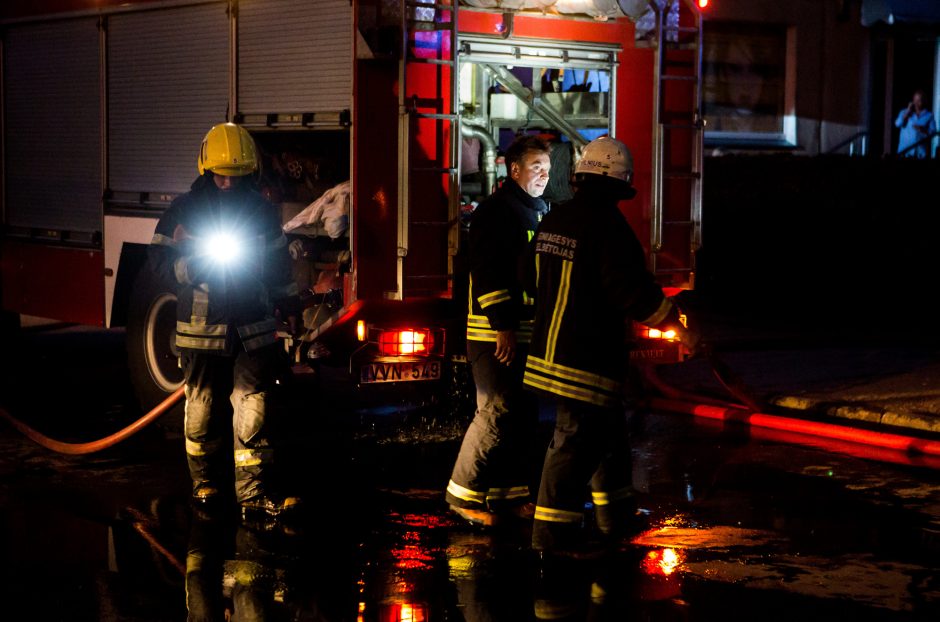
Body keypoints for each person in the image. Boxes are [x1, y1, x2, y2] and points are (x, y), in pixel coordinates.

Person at [523, 136, 692, 557]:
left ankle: (616, 516)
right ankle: (551, 538)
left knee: (609, 434)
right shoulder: (610, 229)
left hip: (549, 353)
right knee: (574, 441)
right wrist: (678, 324)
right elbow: (632, 292)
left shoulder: (553, 221)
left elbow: (530, 280)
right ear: (619, 186)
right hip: (586, 359)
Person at [149, 122, 302, 517]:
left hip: (252, 328)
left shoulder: (261, 212)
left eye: (236, 177)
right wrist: (191, 266)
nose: (228, 184)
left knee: (253, 404)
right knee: (202, 404)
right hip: (202, 329)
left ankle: (252, 495)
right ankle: (205, 485)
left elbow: (280, 267)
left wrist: (288, 304)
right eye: (221, 176)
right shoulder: (184, 209)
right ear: (206, 170)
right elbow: (158, 262)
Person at [445, 134, 552, 527]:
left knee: (522, 414)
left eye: (548, 167)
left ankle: (509, 496)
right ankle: (461, 494)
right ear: (515, 169)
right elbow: (487, 272)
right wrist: (503, 326)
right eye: (536, 166)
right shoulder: (497, 211)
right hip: (494, 334)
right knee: (496, 410)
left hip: (524, 331)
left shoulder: (536, 210)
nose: (543, 174)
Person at [896, 90, 936, 158]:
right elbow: (897, 124)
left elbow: (933, 132)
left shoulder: (929, 115)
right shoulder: (904, 112)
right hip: (904, 153)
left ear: (924, 101)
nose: (916, 103)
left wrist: (923, 130)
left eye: (919, 100)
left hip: (920, 154)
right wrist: (907, 112)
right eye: (915, 100)